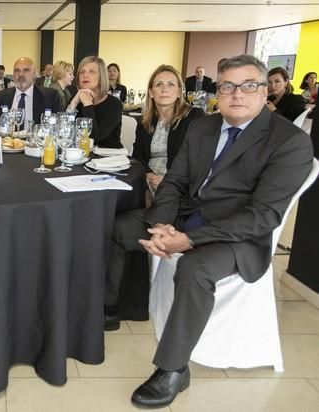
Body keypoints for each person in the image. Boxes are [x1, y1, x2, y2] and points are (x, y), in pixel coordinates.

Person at [105, 54, 313, 408]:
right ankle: (109, 308)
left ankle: (172, 369)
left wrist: (188, 240)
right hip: (184, 217)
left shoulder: (289, 141)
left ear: (266, 92)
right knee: (115, 228)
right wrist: (161, 223)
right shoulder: (204, 127)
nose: (236, 94)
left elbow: (262, 216)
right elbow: (174, 181)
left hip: (237, 238)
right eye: (228, 86)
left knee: (194, 267)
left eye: (248, 85)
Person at [133, 65, 204, 193]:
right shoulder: (145, 121)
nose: (164, 89)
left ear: (179, 92)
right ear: (151, 92)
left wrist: (167, 182)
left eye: (171, 84)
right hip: (147, 182)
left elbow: (198, 161)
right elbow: (137, 157)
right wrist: (148, 176)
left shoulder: (194, 117)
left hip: (179, 186)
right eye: (159, 84)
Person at [67, 56, 123, 148]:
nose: (85, 75)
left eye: (91, 71)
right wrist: (73, 104)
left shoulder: (114, 104)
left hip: (109, 158)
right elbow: (66, 134)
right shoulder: (77, 101)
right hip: (81, 156)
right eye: (82, 72)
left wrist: (88, 105)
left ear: (102, 77)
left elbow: (94, 138)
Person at [0, 57, 61, 128]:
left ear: (35, 75)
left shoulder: (50, 97)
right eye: (17, 70)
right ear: (13, 75)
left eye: (26, 70)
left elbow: (57, 127)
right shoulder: (0, 97)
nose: (21, 74)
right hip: (8, 139)